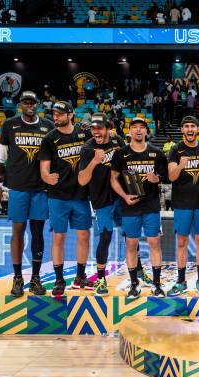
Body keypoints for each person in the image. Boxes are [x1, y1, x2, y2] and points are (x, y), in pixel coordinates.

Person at [0, 91, 54, 297]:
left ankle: (36, 278)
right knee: (18, 230)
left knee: (38, 233)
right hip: (17, 187)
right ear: (20, 105)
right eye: (26, 102)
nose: (29, 105)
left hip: (40, 188)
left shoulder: (48, 126)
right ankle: (18, 277)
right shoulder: (10, 125)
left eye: (33, 102)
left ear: (37, 104)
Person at [38, 101, 92, 298]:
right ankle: (60, 279)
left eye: (60, 114)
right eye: (54, 113)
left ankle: (80, 276)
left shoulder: (84, 134)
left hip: (81, 194)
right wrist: (46, 177)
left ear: (70, 114)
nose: (56, 117)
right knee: (59, 237)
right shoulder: (49, 139)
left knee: (83, 235)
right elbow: (44, 168)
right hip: (58, 196)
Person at [111, 117, 168, 298]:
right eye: (134, 127)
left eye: (141, 127)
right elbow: (113, 179)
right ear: (129, 131)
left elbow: (165, 177)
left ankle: (157, 284)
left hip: (151, 206)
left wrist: (157, 179)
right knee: (131, 245)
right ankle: (134, 284)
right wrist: (124, 196)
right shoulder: (121, 153)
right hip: (130, 207)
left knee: (154, 243)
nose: (138, 130)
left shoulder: (157, 153)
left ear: (146, 131)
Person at [78, 113, 124, 296]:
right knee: (105, 237)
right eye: (93, 128)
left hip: (121, 195)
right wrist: (95, 162)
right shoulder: (88, 148)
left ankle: (137, 273)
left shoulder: (117, 141)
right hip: (101, 199)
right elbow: (82, 180)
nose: (96, 132)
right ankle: (100, 279)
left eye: (99, 128)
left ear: (108, 128)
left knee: (132, 234)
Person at [167, 116, 199, 298]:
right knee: (182, 242)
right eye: (186, 126)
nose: (190, 129)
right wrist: (181, 165)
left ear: (198, 129)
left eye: (193, 125)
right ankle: (181, 280)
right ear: (182, 130)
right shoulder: (175, 150)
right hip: (182, 203)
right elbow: (171, 177)